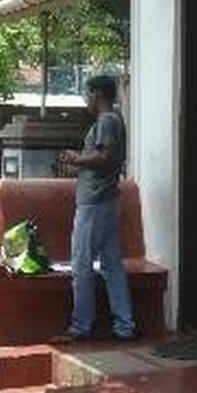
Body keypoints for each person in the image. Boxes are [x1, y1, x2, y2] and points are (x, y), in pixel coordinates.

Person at [56, 75, 135, 342]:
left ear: (97, 94)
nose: (86, 100)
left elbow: (105, 157)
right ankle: (125, 325)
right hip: (106, 198)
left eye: (88, 94)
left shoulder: (107, 121)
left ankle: (81, 326)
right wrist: (80, 163)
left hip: (95, 201)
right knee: (112, 264)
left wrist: (78, 159)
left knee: (81, 264)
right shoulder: (114, 120)